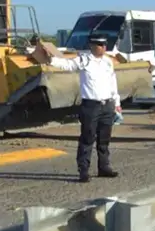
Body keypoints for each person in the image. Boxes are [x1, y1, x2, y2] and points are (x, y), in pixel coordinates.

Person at [41, 34, 121, 183]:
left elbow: (112, 82)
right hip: (91, 105)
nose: (103, 48)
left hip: (107, 105)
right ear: (92, 46)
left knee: (104, 139)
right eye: (100, 45)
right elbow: (67, 65)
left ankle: (104, 167)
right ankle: (83, 170)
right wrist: (50, 59)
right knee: (87, 138)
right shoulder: (84, 60)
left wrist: (117, 103)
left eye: (104, 45)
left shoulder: (107, 62)